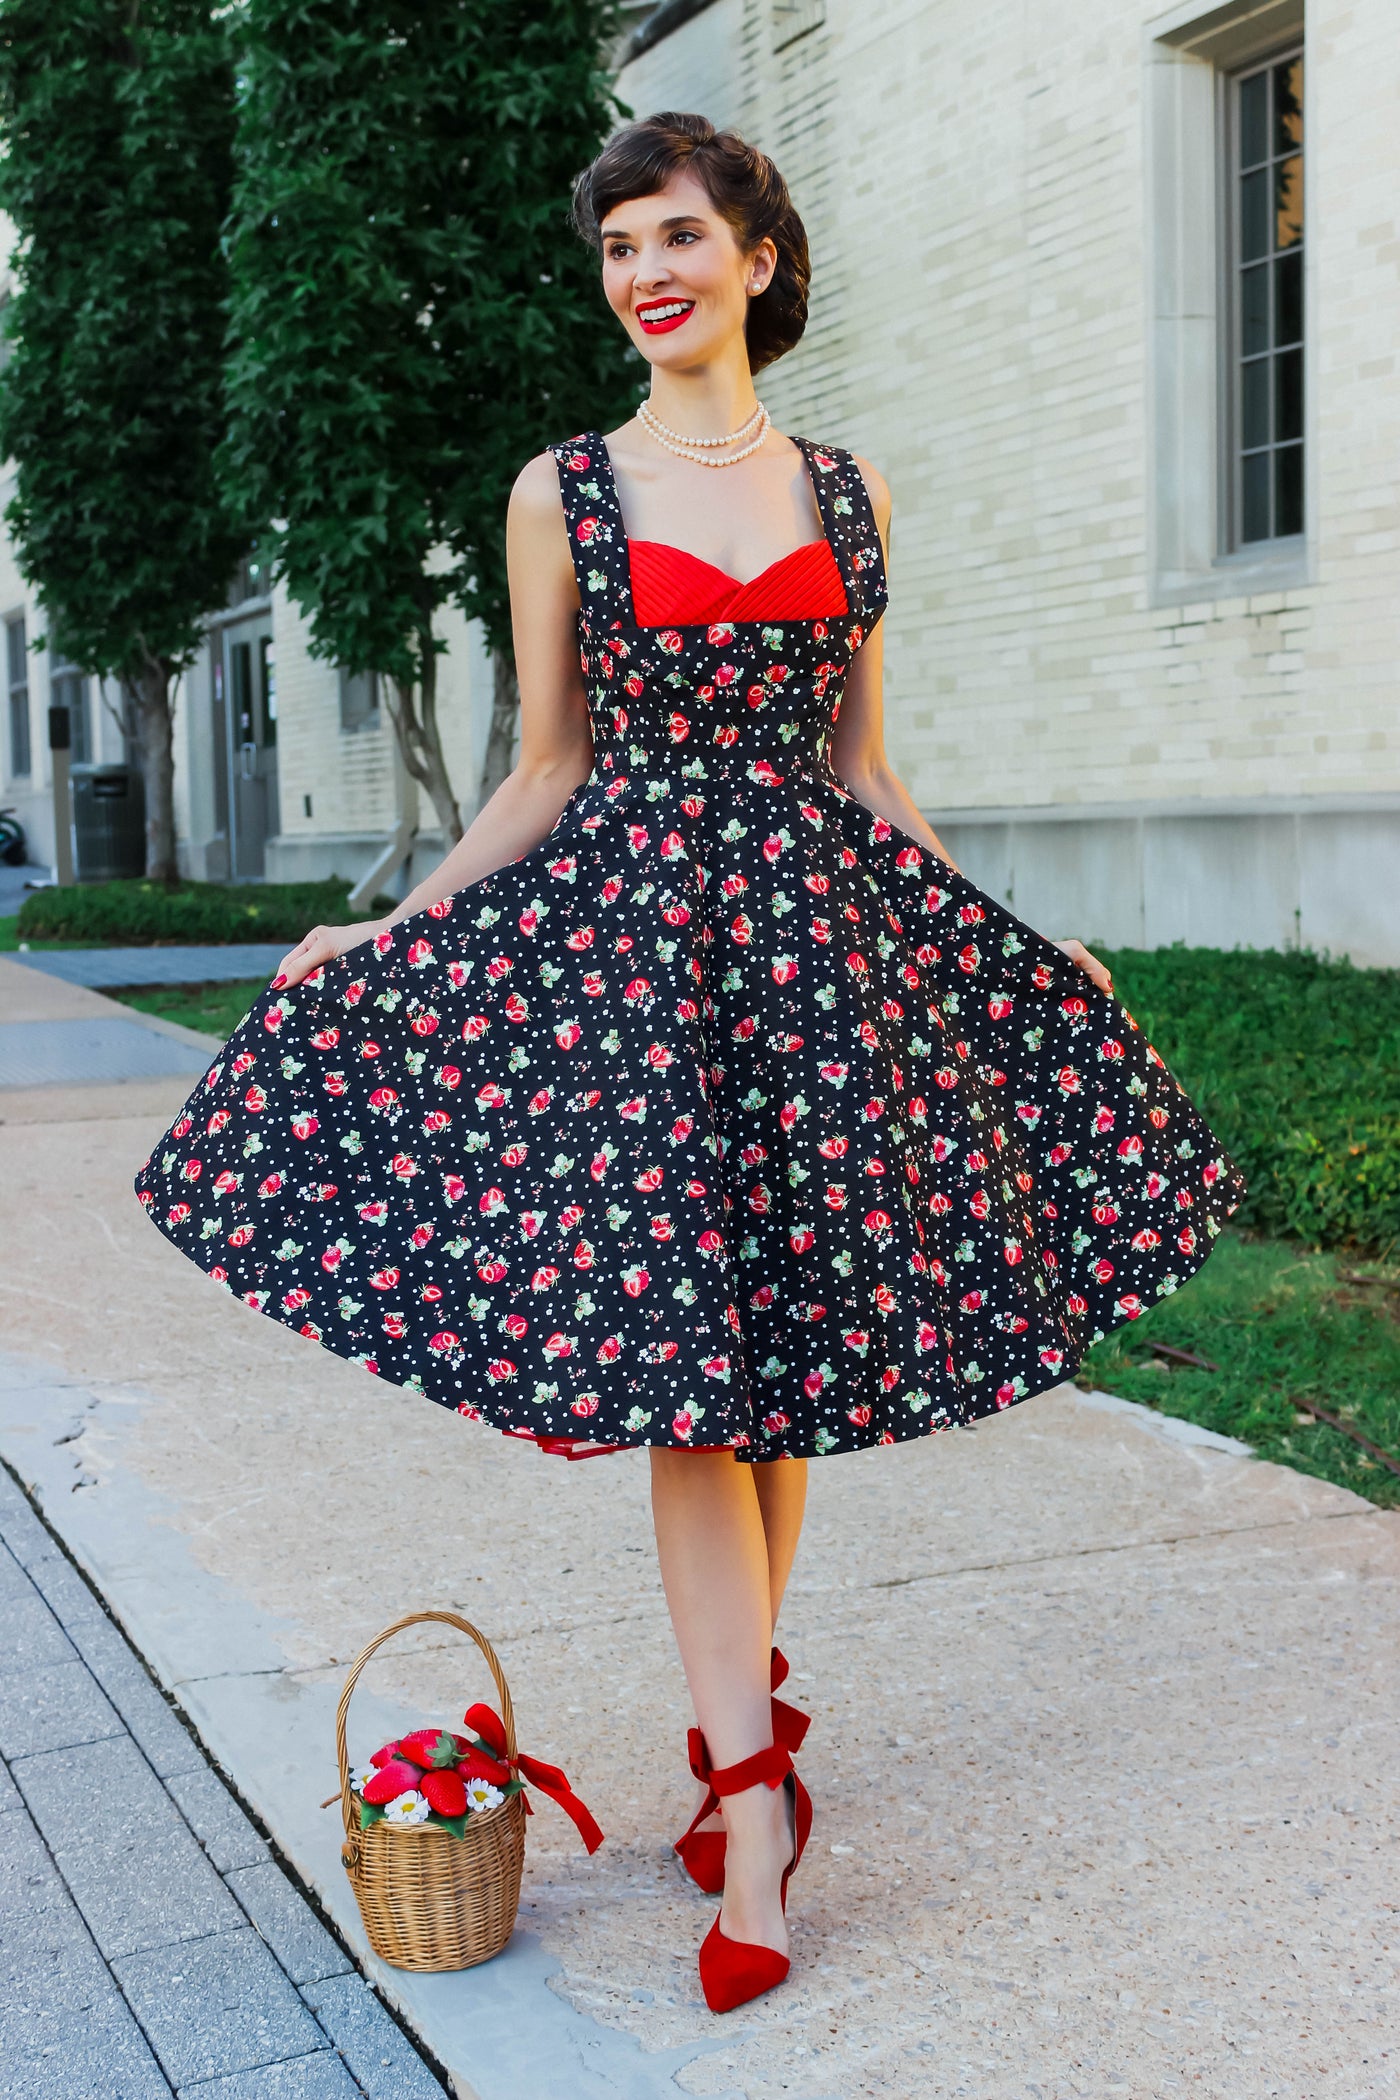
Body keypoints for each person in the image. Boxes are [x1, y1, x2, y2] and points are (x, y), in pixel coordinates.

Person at [135, 111, 1245, 2012]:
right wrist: (391, 930)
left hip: (818, 965)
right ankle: (751, 1814)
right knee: (692, 1393)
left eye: (674, 238)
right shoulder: (561, 490)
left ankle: (745, 1769)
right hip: (640, 967)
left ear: (757, 257)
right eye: (618, 251)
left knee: (781, 1372)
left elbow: (863, 770)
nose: (644, 274)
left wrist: (1010, 934)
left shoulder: (852, 485)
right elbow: (547, 766)